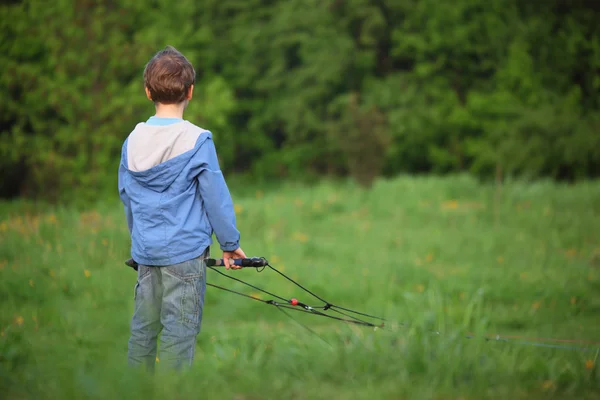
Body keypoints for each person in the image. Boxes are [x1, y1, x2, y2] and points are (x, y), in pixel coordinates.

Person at [118, 45, 246, 372]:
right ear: (191, 91)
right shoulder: (197, 140)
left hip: (146, 252)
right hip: (185, 255)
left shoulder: (132, 140)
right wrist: (229, 245)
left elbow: (127, 197)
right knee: (179, 333)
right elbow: (215, 198)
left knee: (143, 332)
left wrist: (139, 242)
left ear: (148, 92)